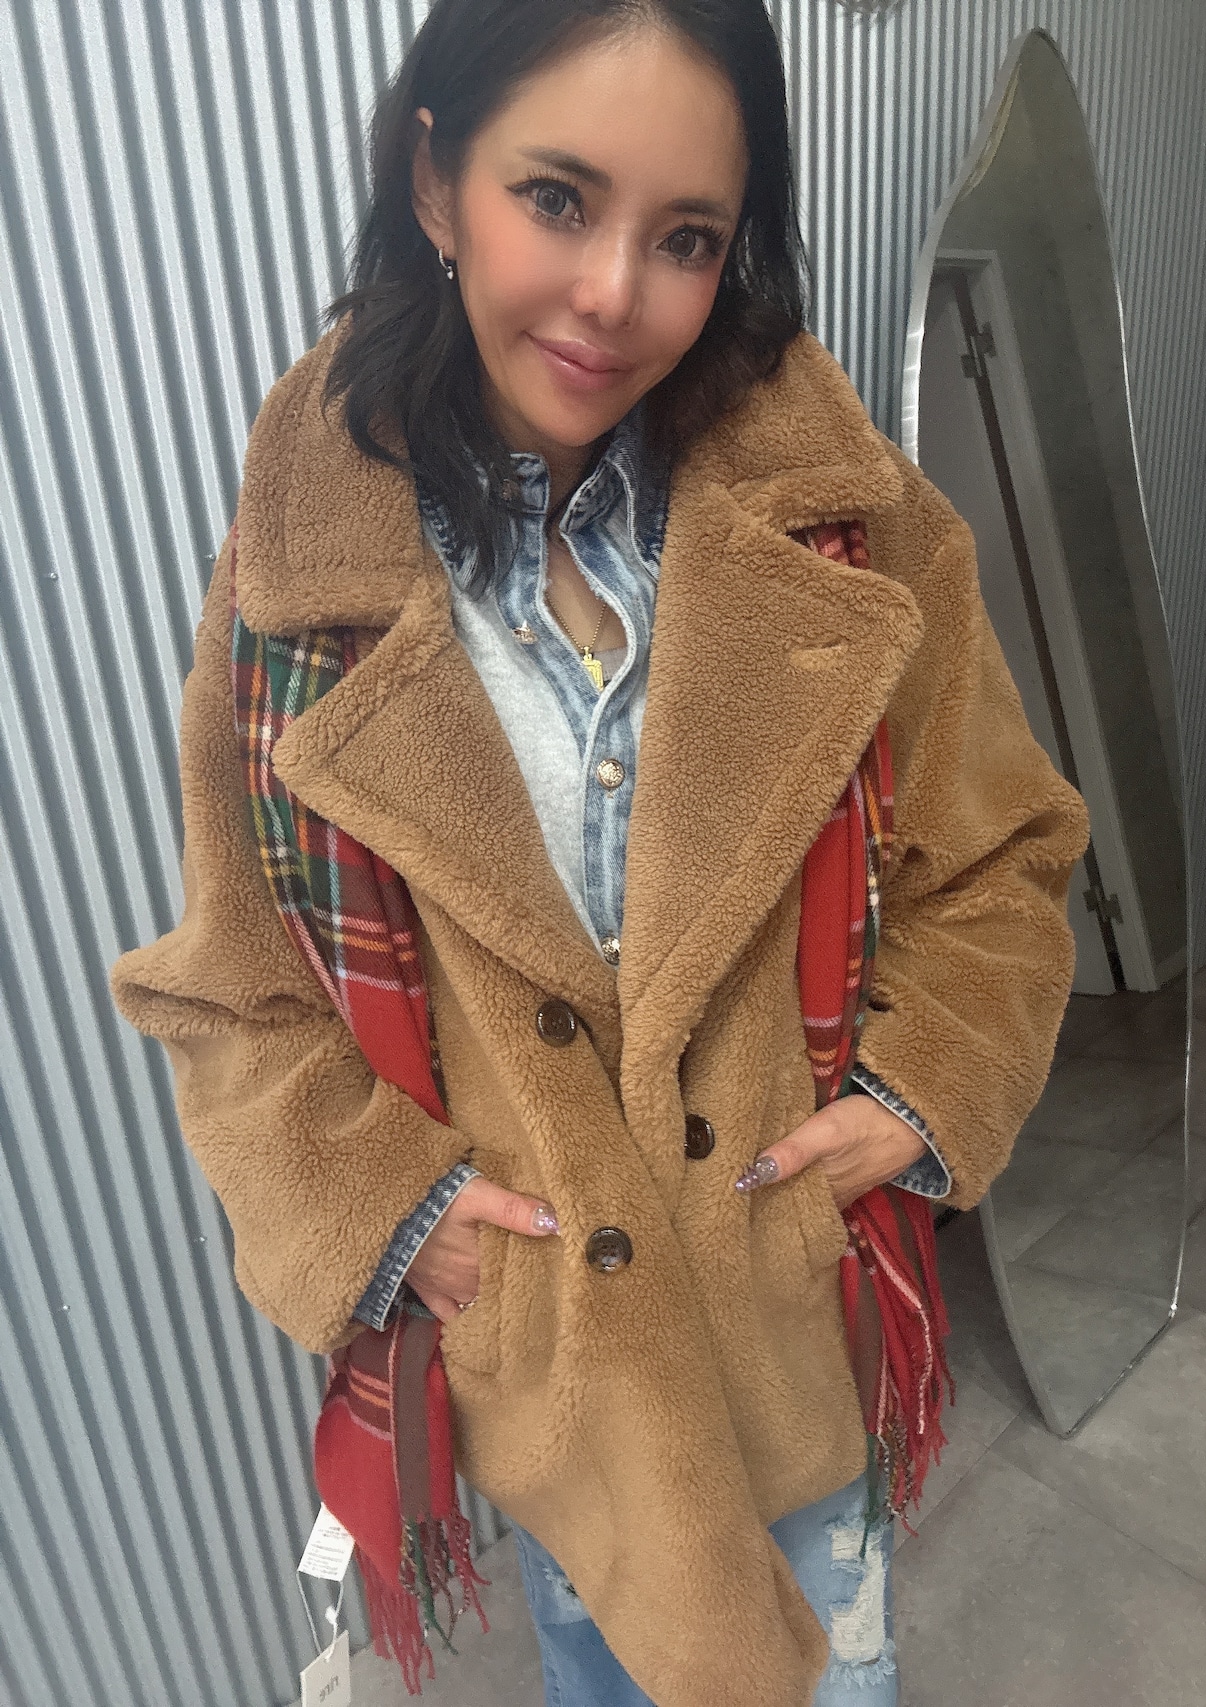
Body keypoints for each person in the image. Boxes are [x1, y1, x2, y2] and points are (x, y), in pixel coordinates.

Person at [110, 3, 1090, 1704]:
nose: (614, 293)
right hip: (564, 1377)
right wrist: (403, 1217)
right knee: (605, 1666)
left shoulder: (849, 529)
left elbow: (1000, 855)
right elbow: (236, 990)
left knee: (831, 1677)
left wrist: (924, 1094)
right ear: (436, 179)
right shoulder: (302, 584)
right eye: (556, 199)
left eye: (687, 236)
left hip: (799, 1331)